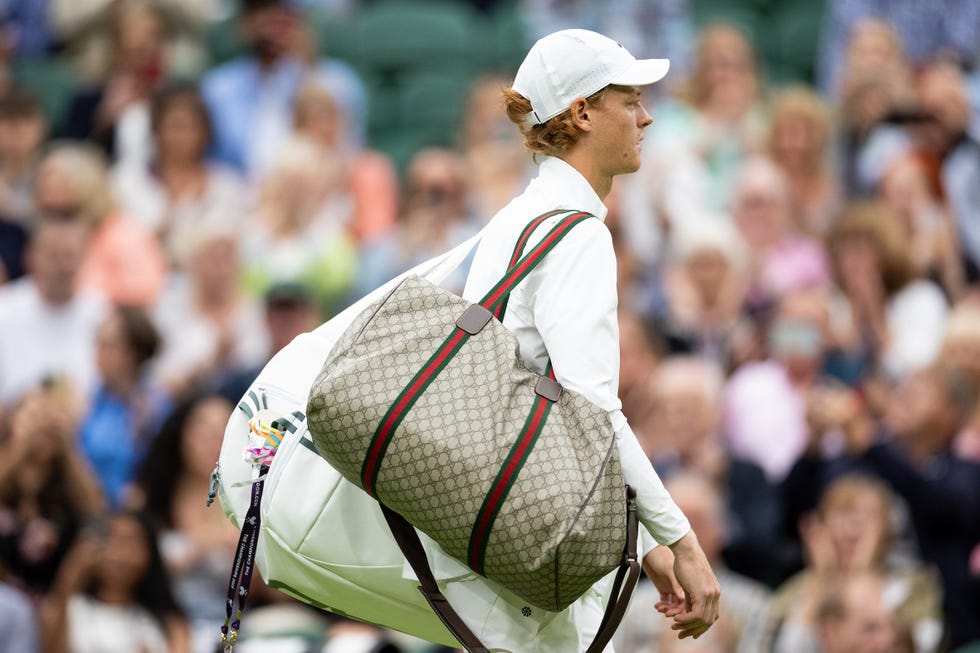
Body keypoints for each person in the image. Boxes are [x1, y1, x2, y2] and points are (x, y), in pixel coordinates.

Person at [458, 29, 720, 649]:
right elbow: (592, 411)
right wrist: (682, 543)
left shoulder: (518, 215)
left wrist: (646, 544)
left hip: (500, 541)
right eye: (629, 100)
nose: (646, 115)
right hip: (526, 559)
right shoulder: (575, 233)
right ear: (582, 113)